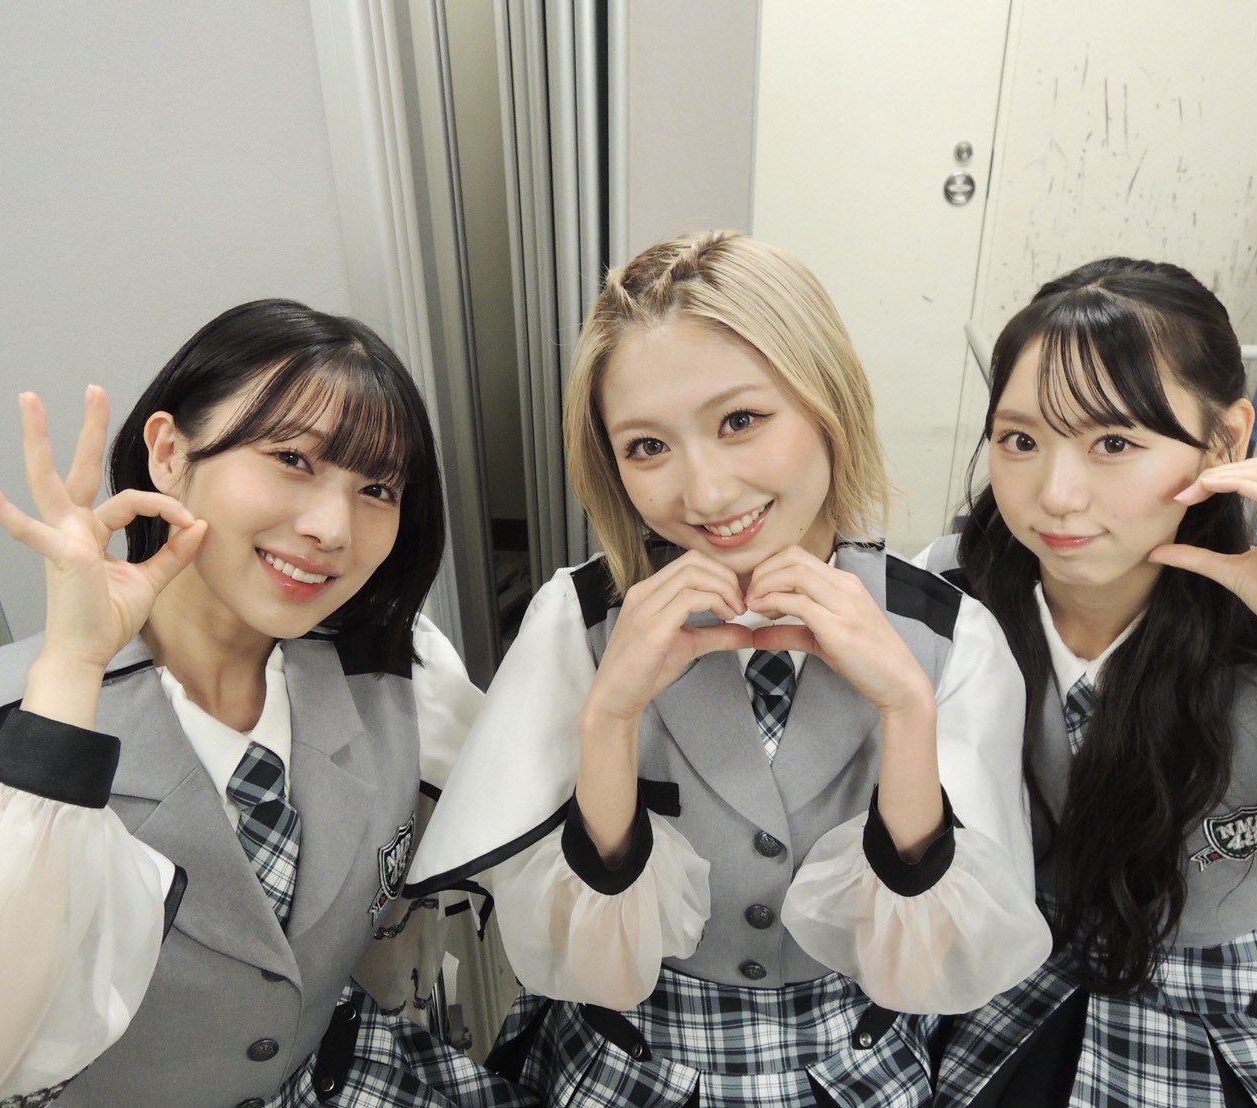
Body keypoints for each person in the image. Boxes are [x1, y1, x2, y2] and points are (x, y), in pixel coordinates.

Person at [407, 231, 1052, 1106]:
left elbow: (936, 965)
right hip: (626, 1068)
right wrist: (609, 716)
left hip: (856, 1072)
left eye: (740, 421)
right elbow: (580, 962)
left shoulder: (947, 633)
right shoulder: (575, 622)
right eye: (647, 447)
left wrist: (906, 706)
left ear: (826, 400)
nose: (706, 493)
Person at [0, 301, 532, 1107]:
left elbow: (537, 857)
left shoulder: (399, 677)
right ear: (169, 452)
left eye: (377, 488)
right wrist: (73, 667)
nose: (332, 528)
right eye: (292, 458)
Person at [919, 257, 1257, 1106]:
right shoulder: (950, 592)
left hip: (1240, 1016)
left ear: (1223, 441)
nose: (1055, 496)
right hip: (1008, 991)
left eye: (1113, 443)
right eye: (1020, 440)